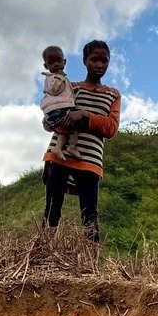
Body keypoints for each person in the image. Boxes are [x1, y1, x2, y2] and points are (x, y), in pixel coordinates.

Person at [41, 38, 121, 241]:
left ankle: (90, 267)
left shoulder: (113, 94)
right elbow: (53, 113)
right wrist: (50, 122)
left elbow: (111, 128)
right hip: (60, 156)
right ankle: (41, 257)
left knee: (90, 217)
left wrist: (85, 114)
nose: (100, 65)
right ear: (85, 60)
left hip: (90, 161)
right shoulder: (71, 87)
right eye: (95, 59)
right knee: (51, 211)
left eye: (104, 60)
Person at [39, 45, 77, 162]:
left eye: (59, 61)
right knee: (74, 126)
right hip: (58, 110)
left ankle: (58, 148)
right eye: (51, 63)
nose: (56, 64)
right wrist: (60, 76)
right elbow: (55, 89)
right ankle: (71, 147)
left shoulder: (59, 77)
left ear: (64, 61)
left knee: (64, 129)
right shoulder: (52, 78)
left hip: (59, 109)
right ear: (46, 66)